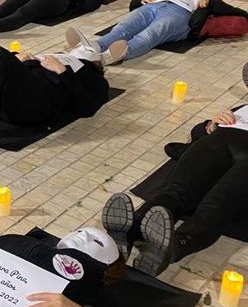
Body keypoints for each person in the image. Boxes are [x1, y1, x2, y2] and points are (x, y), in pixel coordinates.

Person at [102, 104, 248, 276]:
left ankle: (173, 247)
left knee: (217, 205)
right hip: (221, 140)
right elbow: (197, 133)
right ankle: (130, 229)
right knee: (177, 191)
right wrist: (211, 125)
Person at [65, 0, 247, 64]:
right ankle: (93, 46)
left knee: (150, 35)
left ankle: (111, 56)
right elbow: (134, 5)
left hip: (180, 14)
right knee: (123, 28)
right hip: (155, 5)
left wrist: (210, 4)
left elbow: (241, 16)